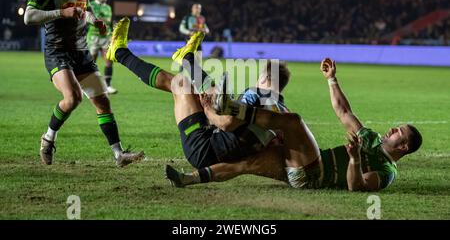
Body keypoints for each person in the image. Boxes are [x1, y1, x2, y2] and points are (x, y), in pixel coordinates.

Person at [166, 58, 423, 191]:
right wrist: (332, 80)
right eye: (396, 127)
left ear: (403, 147)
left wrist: (355, 159)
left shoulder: (387, 172)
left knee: (293, 121)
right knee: (246, 163)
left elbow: (357, 187)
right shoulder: (371, 139)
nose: (391, 130)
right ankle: (189, 179)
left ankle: (231, 109)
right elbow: (344, 112)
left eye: (398, 132)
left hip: (314, 174)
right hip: (300, 166)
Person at [106, 18, 288, 173]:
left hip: (203, 148)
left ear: (264, 78)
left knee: (180, 84)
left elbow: (227, 123)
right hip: (220, 148)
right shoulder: (282, 111)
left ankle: (120, 53)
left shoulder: (255, 94)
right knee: (214, 93)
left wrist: (209, 110)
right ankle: (187, 58)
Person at [24, 0, 144, 167]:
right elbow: (28, 17)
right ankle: (48, 138)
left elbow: (86, 10)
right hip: (57, 51)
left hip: (81, 52)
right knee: (73, 98)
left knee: (103, 102)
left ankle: (119, 154)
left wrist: (94, 21)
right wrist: (62, 12)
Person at [86, 0, 117, 94]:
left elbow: (107, 22)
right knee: (91, 62)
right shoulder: (91, 5)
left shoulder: (108, 7)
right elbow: (95, 19)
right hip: (93, 37)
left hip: (106, 37)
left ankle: (107, 86)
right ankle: (89, 86)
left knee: (109, 61)